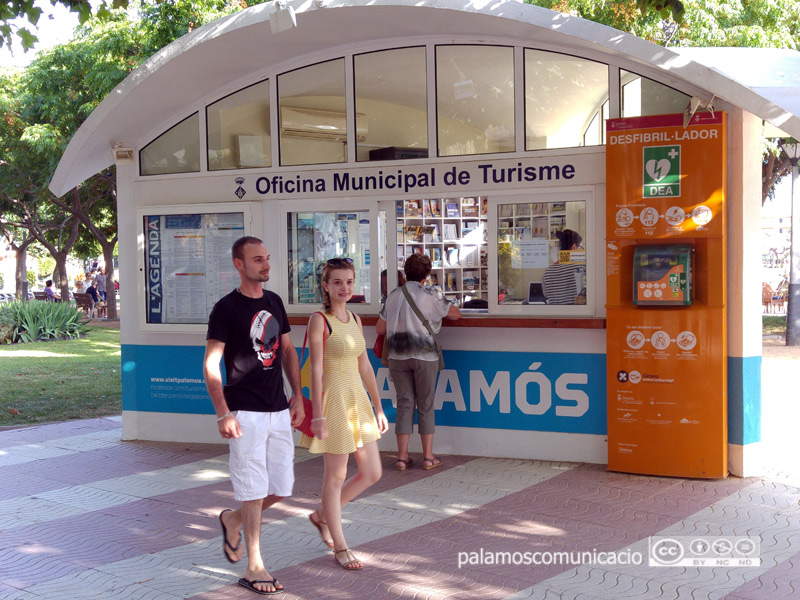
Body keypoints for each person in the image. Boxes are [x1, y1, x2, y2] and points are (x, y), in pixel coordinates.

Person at [203, 236, 304, 595]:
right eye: (258, 260)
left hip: (278, 409)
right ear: (239, 264)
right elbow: (211, 363)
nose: (266, 266)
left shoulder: (274, 301)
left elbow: (288, 351)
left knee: (280, 487)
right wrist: (222, 412)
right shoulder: (225, 309)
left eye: (268, 258)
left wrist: (298, 396)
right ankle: (255, 565)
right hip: (244, 411)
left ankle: (232, 520)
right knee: (252, 487)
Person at [300, 257, 389, 570]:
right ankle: (340, 546)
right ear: (325, 285)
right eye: (337, 282)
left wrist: (378, 407)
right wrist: (319, 413)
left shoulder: (355, 318)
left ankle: (324, 514)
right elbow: (317, 369)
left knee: (372, 472)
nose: (344, 288)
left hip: (357, 401)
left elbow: (365, 365)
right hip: (333, 401)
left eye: (349, 282)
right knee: (335, 475)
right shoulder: (318, 320)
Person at [376, 253, 461, 472]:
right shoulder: (431, 294)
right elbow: (456, 315)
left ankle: (402, 458)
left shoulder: (394, 295)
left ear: (405, 272)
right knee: (426, 405)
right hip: (425, 356)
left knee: (404, 404)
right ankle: (428, 457)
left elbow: (380, 328)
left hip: (397, 357)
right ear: (427, 274)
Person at [541, 229, 583, 305]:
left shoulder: (547, 271)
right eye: (580, 248)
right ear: (574, 247)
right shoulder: (579, 268)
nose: (581, 251)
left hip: (555, 314)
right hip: (575, 314)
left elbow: (546, 295)